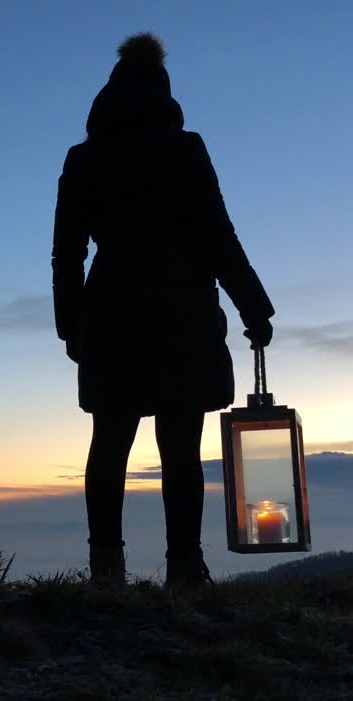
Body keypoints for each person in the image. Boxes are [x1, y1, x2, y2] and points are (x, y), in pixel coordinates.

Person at [52, 33, 275, 589]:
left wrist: (69, 324)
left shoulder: (85, 159)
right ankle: (184, 567)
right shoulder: (185, 149)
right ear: (164, 92)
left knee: (110, 443)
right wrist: (254, 306)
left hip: (111, 314)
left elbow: (68, 252)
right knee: (180, 447)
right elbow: (218, 235)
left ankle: (106, 568)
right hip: (183, 312)